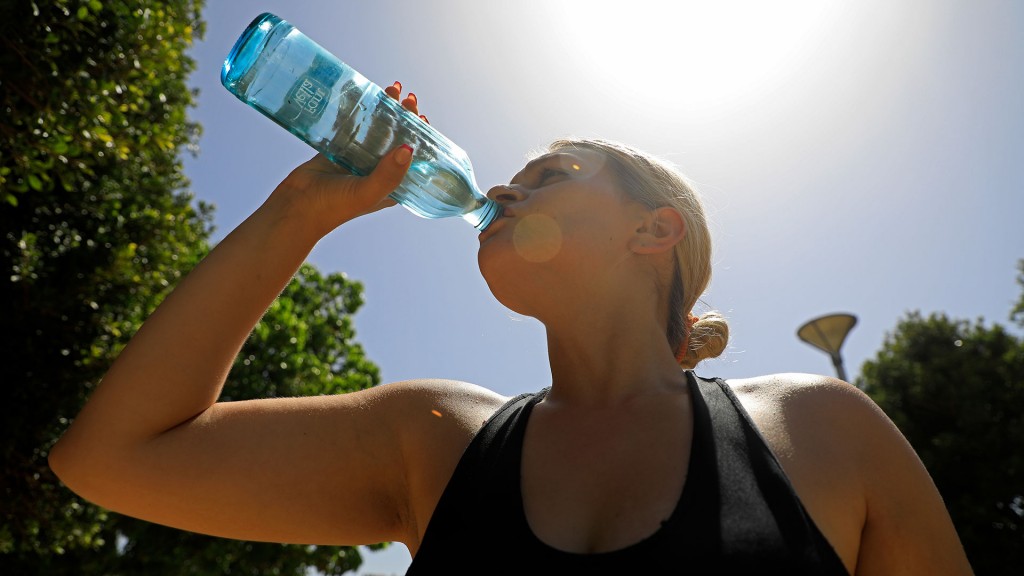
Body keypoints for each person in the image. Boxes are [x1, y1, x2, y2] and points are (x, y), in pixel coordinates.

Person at [49, 85, 973, 575]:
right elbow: (112, 457)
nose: (502, 191)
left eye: (551, 174)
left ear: (653, 231)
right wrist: (300, 211)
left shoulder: (820, 431)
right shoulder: (434, 439)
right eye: (514, 176)